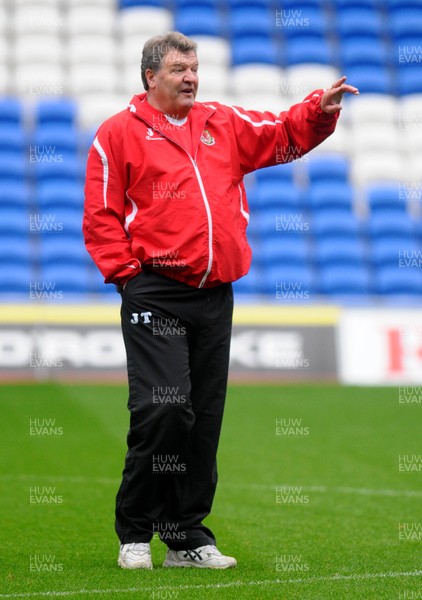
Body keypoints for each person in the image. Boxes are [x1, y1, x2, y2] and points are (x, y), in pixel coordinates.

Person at [83, 31, 359, 570]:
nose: (191, 77)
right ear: (151, 77)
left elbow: (282, 135)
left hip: (215, 296)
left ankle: (186, 539)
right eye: (179, 69)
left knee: (203, 420)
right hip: (155, 294)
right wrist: (127, 278)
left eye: (194, 67)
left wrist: (317, 112)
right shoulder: (116, 134)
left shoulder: (222, 124)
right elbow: (101, 215)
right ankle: (136, 532)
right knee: (163, 407)